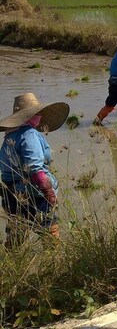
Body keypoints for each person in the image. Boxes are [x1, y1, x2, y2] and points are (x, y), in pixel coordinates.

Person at [0, 93, 69, 247]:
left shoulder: (8, 139)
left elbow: (5, 171)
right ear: (29, 116)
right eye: (36, 113)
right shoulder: (29, 134)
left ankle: (11, 266)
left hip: (12, 195)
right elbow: (34, 167)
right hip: (34, 194)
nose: (39, 116)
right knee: (50, 232)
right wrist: (48, 192)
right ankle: (54, 265)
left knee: (16, 234)